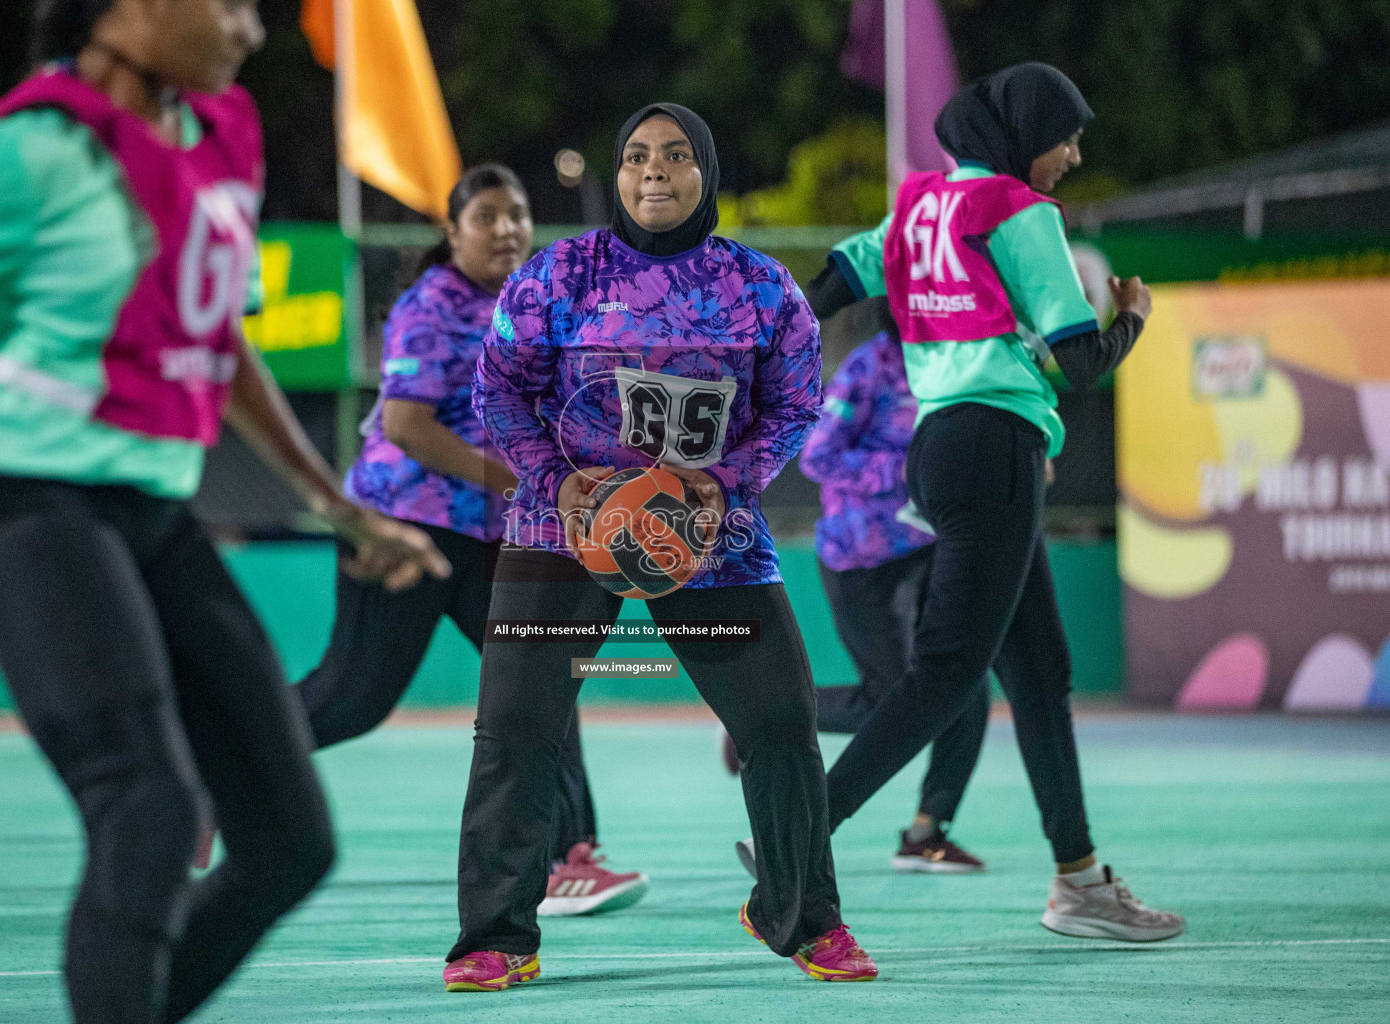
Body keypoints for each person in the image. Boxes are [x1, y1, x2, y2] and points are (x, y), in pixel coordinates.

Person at [0, 2, 448, 1021]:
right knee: (149, 808)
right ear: (127, 13)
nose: (249, 30)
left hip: (143, 507)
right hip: (17, 496)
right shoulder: (27, 153)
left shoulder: (217, 141)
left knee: (287, 837)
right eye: (224, 5)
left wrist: (336, 506)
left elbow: (220, 343)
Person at [441, 102, 878, 993]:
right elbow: (498, 387)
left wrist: (726, 483)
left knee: (781, 726)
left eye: (676, 157)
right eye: (637, 155)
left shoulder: (761, 289)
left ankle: (802, 916)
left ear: (704, 175)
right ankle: (497, 936)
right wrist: (558, 482)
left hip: (707, 532)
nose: (654, 171)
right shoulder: (559, 274)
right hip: (564, 528)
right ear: (619, 171)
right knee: (516, 728)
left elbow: (796, 403)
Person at [799, 62, 1184, 942]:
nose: (1075, 155)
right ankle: (801, 826)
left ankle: (1080, 882)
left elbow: (833, 283)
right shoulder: (1021, 212)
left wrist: (761, 339)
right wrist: (1132, 317)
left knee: (1040, 676)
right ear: (1023, 136)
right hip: (995, 445)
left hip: (939, 447)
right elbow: (1081, 363)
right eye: (1067, 136)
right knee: (944, 674)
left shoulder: (919, 206)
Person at [297, 163, 646, 917]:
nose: (506, 229)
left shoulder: (537, 305)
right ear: (452, 234)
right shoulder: (431, 307)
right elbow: (404, 426)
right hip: (406, 525)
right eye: (485, 216)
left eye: (516, 213)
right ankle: (213, 766)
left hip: (492, 536)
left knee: (546, 672)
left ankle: (568, 858)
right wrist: (521, 479)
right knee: (352, 700)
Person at [726, 326, 990, 877]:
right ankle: (761, 715)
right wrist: (906, 473)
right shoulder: (871, 367)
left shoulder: (963, 362)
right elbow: (818, 456)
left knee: (965, 685)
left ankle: (927, 833)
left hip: (931, 551)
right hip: (860, 556)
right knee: (893, 698)